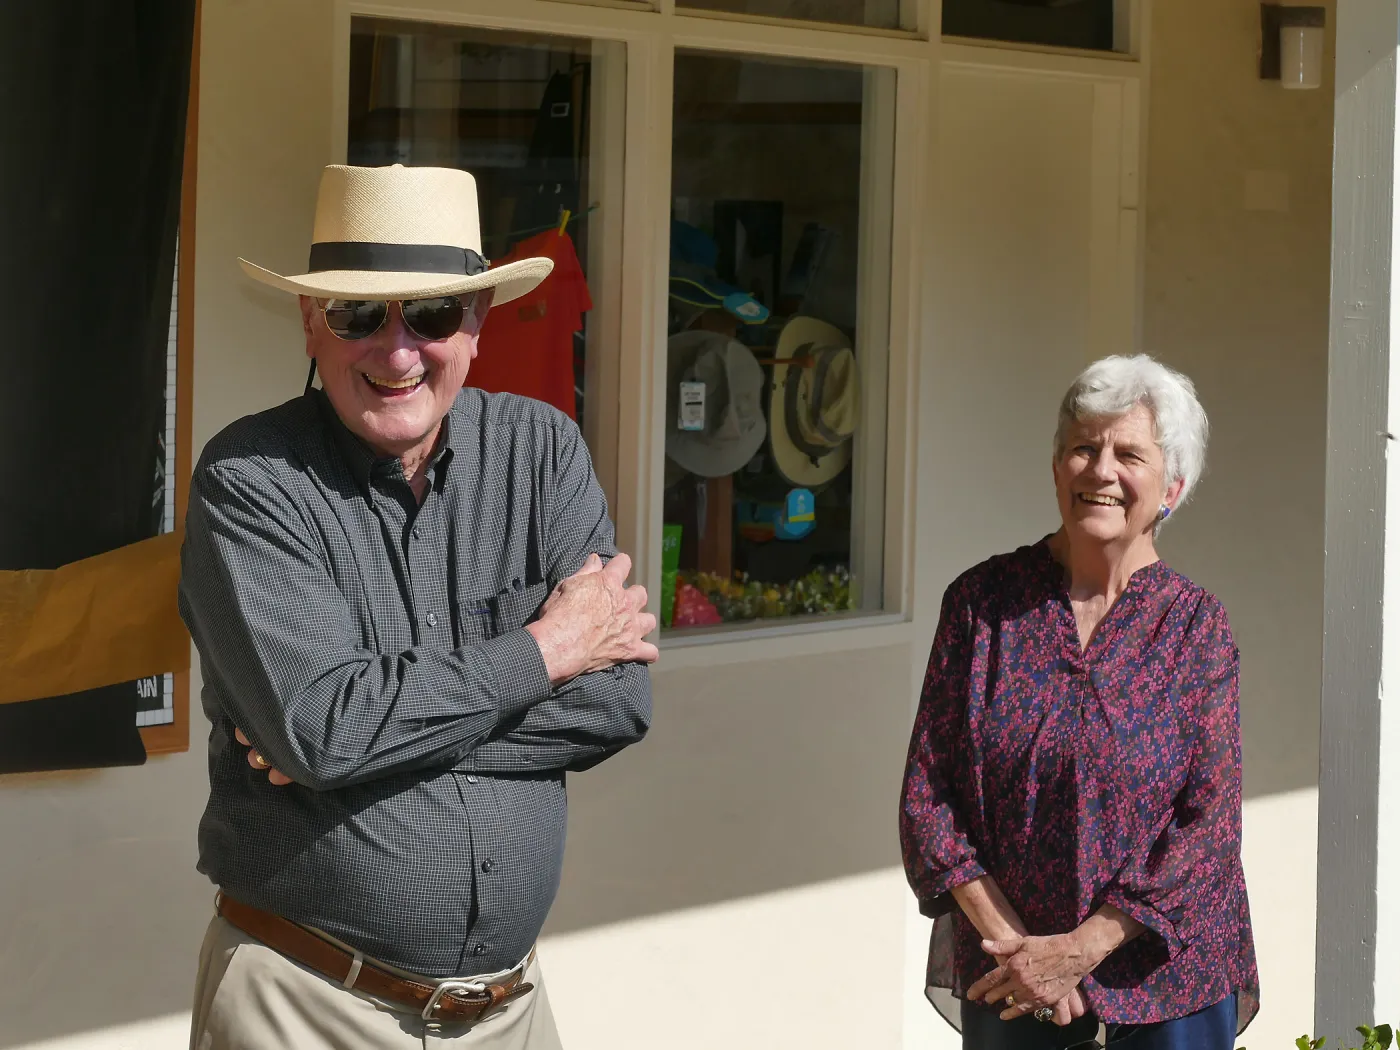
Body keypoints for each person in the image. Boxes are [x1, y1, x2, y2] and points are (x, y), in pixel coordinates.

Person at [178, 163, 657, 1050]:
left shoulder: (541, 451)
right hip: (306, 1003)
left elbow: (616, 704)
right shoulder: (252, 479)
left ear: (477, 323)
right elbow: (324, 730)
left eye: (431, 313)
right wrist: (546, 651)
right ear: (312, 323)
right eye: (361, 315)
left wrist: (358, 742)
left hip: (509, 1012)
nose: (398, 353)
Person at [899, 355, 1258, 1049]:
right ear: (1057, 465)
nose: (1100, 471)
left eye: (1129, 454)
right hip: (1011, 980)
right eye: (1082, 448)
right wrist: (1020, 951)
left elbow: (1208, 823)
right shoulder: (983, 605)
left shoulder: (1195, 628)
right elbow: (928, 796)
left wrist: (1078, 951)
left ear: (1172, 487)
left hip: (1166, 980)